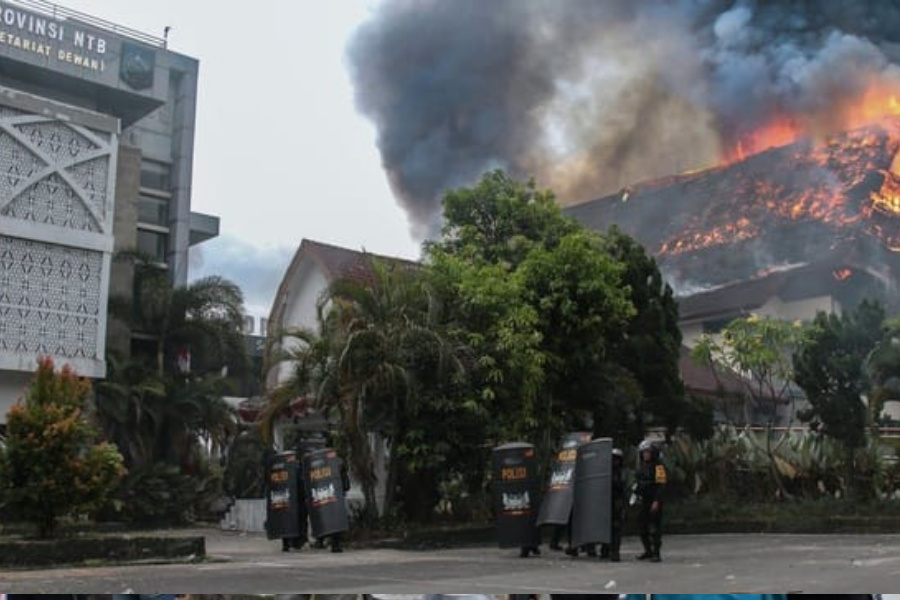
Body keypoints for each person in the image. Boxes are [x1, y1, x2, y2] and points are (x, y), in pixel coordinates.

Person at [635, 438, 666, 562]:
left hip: (654, 499)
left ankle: (656, 553)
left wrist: (656, 501)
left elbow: (661, 485)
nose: (645, 455)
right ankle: (648, 550)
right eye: (643, 452)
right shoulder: (642, 466)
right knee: (642, 526)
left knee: (655, 528)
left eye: (647, 452)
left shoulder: (658, 466)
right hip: (644, 499)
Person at [599, 447, 626, 562]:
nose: (615, 461)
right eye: (613, 459)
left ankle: (615, 552)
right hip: (605, 501)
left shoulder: (621, 472)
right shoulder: (605, 471)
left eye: (617, 459)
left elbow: (622, 486)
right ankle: (605, 549)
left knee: (615, 528)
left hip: (616, 502)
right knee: (605, 526)